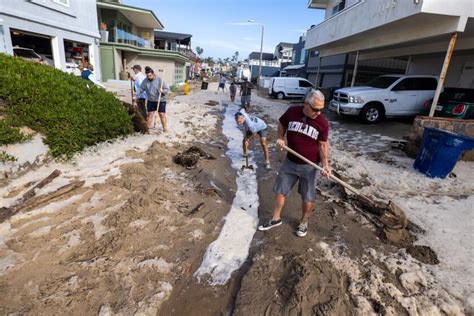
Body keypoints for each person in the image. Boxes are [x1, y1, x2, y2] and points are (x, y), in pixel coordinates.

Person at [258, 89, 331, 237]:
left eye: (321, 110)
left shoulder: (322, 122)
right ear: (306, 104)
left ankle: (303, 222)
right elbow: (281, 124)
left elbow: (323, 145)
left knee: (307, 197)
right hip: (290, 162)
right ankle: (276, 218)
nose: (318, 113)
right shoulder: (292, 112)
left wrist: (325, 165)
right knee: (279, 191)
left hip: (310, 167)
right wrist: (280, 137)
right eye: (315, 109)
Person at [140, 67, 170, 131]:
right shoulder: (145, 81)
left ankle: (165, 128)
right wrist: (136, 94)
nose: (149, 77)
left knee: (162, 114)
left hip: (160, 100)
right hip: (151, 100)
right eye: (147, 76)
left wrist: (162, 91)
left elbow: (167, 89)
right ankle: (147, 129)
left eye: (150, 75)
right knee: (149, 114)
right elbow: (141, 89)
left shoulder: (159, 79)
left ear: (153, 74)